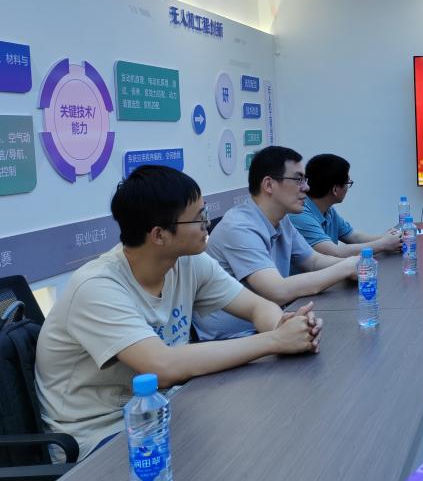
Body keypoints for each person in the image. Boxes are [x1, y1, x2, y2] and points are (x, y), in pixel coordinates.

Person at [35, 166, 323, 458]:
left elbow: (256, 305)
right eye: (199, 217)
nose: (207, 224)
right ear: (159, 235)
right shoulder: (96, 287)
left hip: (162, 412)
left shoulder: (186, 261)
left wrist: (284, 326)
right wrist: (275, 341)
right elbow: (163, 367)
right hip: (99, 437)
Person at [194, 146, 357, 340]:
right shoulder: (238, 227)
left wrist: (358, 264)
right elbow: (277, 291)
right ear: (269, 184)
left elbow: (313, 261)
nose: (306, 188)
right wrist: (346, 268)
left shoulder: (282, 219)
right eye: (298, 180)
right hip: (229, 340)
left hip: (267, 327)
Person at [289, 153, 402, 256]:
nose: (348, 187)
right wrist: (383, 244)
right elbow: (335, 252)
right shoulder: (300, 214)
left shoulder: (328, 210)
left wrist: (386, 238)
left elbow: (353, 236)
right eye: (348, 183)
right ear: (335, 189)